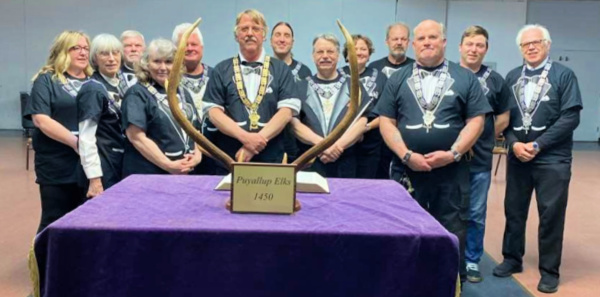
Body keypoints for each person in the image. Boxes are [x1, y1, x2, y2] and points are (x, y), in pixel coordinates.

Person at [375, 20, 491, 281]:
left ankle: (451, 279)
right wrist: (406, 155)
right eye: (422, 38)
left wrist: (453, 153)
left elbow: (476, 121)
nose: (427, 42)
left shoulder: (465, 78)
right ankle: (406, 277)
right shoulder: (398, 78)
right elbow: (386, 121)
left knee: (453, 225)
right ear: (413, 44)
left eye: (433, 37)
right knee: (404, 224)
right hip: (407, 169)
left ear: (444, 41)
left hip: (452, 169)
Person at [493, 24, 582, 294]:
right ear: (520, 49)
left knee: (551, 215)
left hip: (553, 159)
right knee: (514, 210)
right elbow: (503, 119)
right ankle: (512, 258)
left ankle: (549, 271)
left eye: (537, 42)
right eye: (525, 44)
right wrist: (513, 143)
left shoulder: (564, 76)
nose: (531, 47)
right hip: (519, 155)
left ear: (548, 45)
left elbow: (570, 117)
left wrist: (537, 144)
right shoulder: (510, 77)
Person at [203, 9, 300, 173]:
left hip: (272, 160)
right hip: (230, 159)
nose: (249, 33)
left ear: (264, 35)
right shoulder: (221, 70)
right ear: (236, 35)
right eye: (244, 29)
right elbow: (213, 112)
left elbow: (286, 112)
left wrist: (253, 145)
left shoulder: (281, 70)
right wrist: (245, 138)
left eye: (255, 28)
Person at [24, 30, 93, 233]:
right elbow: (41, 119)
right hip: (57, 164)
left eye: (86, 49)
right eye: (76, 48)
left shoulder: (93, 81)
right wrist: (76, 142)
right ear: (63, 51)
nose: (82, 53)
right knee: (55, 219)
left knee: (86, 219)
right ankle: (45, 263)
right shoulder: (46, 80)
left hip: (90, 164)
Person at [458, 25, 512, 283]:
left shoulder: (495, 80)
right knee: (447, 209)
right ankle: (448, 256)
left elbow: (503, 116)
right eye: (469, 44)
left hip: (479, 159)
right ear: (460, 47)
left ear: (486, 49)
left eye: (480, 45)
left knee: (476, 213)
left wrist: (480, 134)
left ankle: (471, 260)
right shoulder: (450, 75)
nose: (474, 49)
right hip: (448, 158)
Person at [121, 39, 203, 177]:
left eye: (169, 62)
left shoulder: (183, 92)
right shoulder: (137, 94)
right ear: (146, 64)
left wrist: (197, 156)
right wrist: (168, 165)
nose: (163, 67)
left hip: (183, 174)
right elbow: (136, 137)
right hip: (149, 176)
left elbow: (194, 131)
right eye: (157, 61)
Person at [291, 34, 370, 178]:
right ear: (313, 56)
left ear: (339, 56)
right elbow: (294, 124)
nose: (325, 56)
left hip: (345, 162)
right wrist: (322, 146)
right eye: (320, 52)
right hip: (310, 163)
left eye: (330, 52)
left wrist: (338, 146)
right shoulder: (300, 86)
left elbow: (361, 122)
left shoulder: (354, 86)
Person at [77, 34, 130, 199]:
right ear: (94, 59)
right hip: (103, 166)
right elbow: (86, 137)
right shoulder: (93, 89)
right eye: (104, 54)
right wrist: (94, 179)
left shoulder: (121, 86)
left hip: (120, 161)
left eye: (116, 53)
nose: (112, 59)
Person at [369, 22, 415, 180]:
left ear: (409, 42)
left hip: (406, 137)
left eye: (403, 39)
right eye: (395, 39)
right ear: (387, 42)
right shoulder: (374, 68)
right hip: (376, 138)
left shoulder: (416, 68)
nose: (399, 42)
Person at [340, 34, 387, 179]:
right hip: (342, 142)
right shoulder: (337, 75)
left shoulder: (381, 77)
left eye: (363, 49)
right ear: (347, 54)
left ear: (369, 54)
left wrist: (365, 128)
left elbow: (386, 112)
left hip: (370, 141)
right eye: (354, 49)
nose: (359, 52)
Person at [172, 23, 215, 175]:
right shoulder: (168, 80)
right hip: (182, 158)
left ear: (202, 48)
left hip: (214, 154)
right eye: (185, 44)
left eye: (194, 44)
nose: (190, 48)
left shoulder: (217, 76)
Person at [270, 21, 312, 162]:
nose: (282, 39)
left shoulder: (304, 71)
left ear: (292, 42)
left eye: (287, 36)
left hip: (296, 139)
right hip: (268, 137)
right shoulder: (262, 68)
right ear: (270, 41)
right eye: (278, 35)